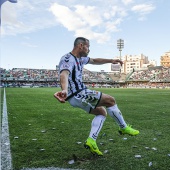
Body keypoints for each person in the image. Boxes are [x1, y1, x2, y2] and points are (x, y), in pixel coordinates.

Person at [54, 37, 139, 156]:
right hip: (78, 93)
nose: (89, 50)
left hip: (76, 96)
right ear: (81, 45)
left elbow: (95, 60)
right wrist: (64, 89)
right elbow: (64, 74)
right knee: (110, 100)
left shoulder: (81, 59)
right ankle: (123, 127)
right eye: (88, 47)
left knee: (101, 112)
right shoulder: (68, 58)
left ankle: (91, 141)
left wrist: (111, 60)